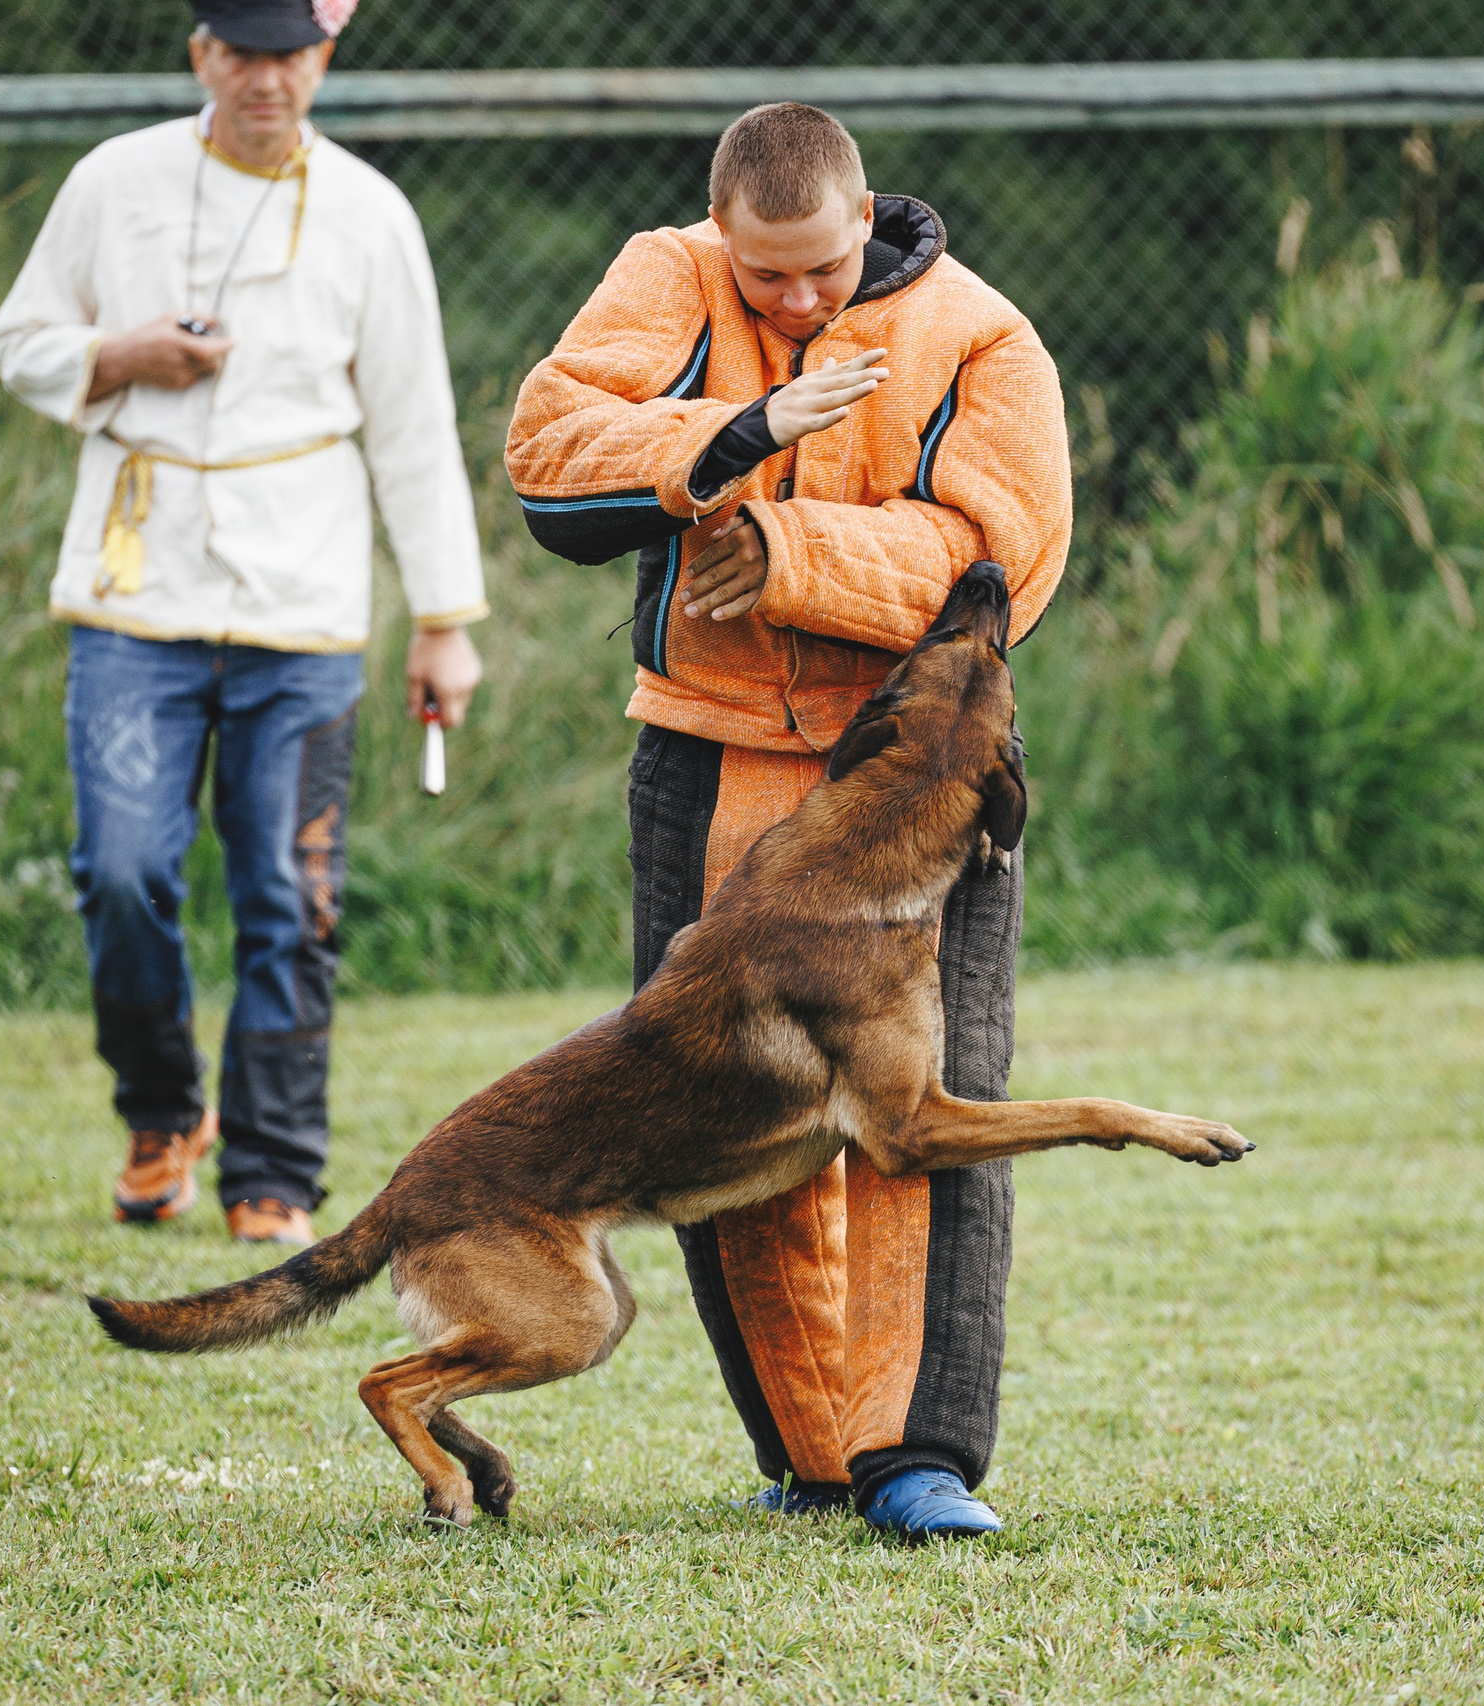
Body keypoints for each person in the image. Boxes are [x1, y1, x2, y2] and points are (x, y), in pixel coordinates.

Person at [505, 102, 1070, 1539]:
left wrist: (794, 547)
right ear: (721, 236)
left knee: (929, 1111)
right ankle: (815, 1449)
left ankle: (917, 1457)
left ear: (866, 210)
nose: (798, 298)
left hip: (918, 781)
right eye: (766, 279)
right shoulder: (666, 275)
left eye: (822, 270)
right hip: (710, 758)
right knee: (719, 1112)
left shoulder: (982, 335)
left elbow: (1001, 557)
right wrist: (737, 433)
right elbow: (549, 450)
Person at [0, 0, 485, 1247]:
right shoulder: (117, 180)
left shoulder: (374, 213)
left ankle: (273, 1170)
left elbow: (416, 425)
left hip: (304, 604)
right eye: (241, 50)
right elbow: (20, 341)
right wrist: (120, 354)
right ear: (201, 52)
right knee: (121, 872)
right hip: (134, 587)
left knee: (290, 889)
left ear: (324, 56)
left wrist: (443, 619)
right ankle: (163, 1111)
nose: (267, 77)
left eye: (291, 52)